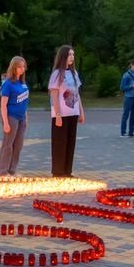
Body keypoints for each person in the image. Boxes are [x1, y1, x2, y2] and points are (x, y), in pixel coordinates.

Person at [47, 45, 84, 176]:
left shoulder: (74, 73)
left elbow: (77, 93)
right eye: (69, 55)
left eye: (73, 55)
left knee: (70, 141)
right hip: (61, 114)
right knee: (60, 142)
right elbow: (54, 95)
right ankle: (58, 171)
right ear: (63, 56)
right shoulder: (57, 74)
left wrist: (81, 112)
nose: (72, 57)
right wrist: (57, 114)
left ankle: (68, 171)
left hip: (73, 113)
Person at [0, 56, 29, 175]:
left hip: (22, 118)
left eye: (23, 66)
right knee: (8, 144)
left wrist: (26, 118)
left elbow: (25, 102)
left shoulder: (23, 83)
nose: (22, 69)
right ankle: (2, 171)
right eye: (19, 67)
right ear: (13, 67)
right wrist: (5, 122)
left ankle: (12, 170)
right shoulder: (8, 84)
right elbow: (3, 105)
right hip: (11, 117)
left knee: (18, 145)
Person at [119, 59, 134, 137]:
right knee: (126, 114)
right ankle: (123, 132)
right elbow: (122, 87)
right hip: (129, 97)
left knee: (133, 115)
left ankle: (131, 132)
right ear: (131, 65)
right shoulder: (126, 75)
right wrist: (131, 86)